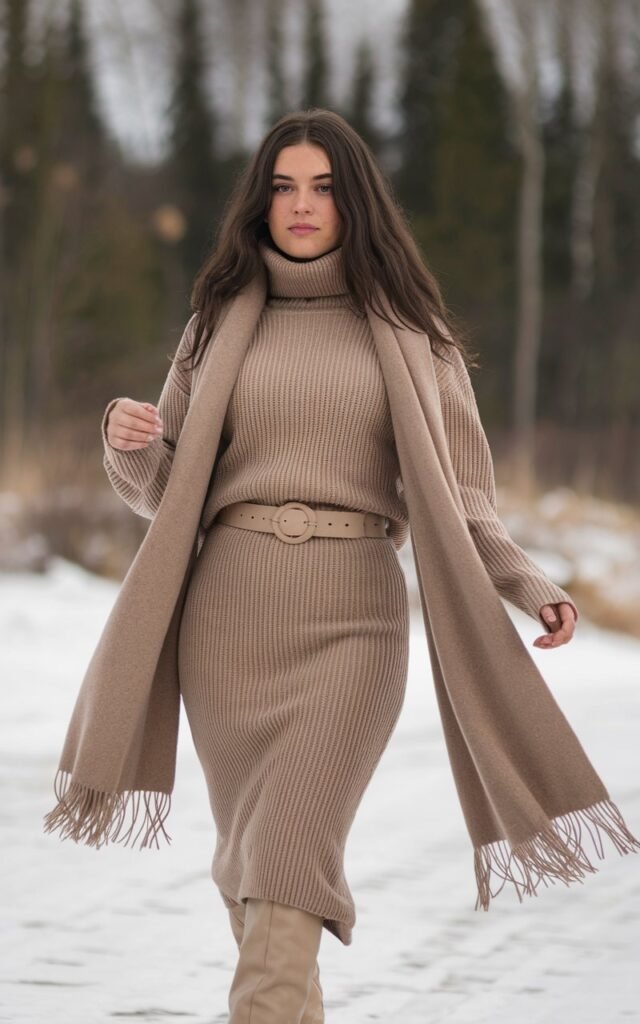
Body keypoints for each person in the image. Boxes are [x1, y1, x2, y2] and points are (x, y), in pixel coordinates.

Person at [100, 109, 580, 1022]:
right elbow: (170, 493)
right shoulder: (214, 326)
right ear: (260, 201)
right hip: (228, 620)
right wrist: (131, 447)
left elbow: (463, 496)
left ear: (355, 201)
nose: (302, 205)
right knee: (255, 881)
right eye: (283, 186)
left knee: (286, 861)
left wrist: (528, 582)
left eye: (322, 186)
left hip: (353, 625)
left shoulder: (414, 334)